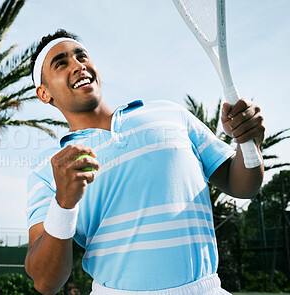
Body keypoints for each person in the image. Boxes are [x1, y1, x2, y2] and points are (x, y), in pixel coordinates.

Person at [24, 29, 264, 295]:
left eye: (82, 56)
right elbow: (45, 282)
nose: (78, 65)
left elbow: (242, 185)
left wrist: (248, 142)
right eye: (61, 63)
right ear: (44, 94)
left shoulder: (170, 113)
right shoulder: (48, 169)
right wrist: (64, 203)